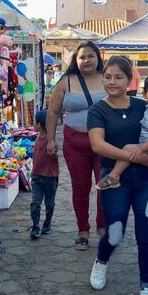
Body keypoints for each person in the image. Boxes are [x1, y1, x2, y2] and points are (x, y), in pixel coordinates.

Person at [87, 55, 148, 295]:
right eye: (108, 76)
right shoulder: (97, 110)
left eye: (118, 77)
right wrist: (136, 156)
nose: (112, 82)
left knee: (146, 235)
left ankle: (147, 287)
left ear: (129, 79)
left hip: (147, 180)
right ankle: (101, 260)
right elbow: (97, 146)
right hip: (114, 179)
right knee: (115, 231)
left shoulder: (143, 105)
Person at [46, 41, 108, 250]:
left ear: (98, 58)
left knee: (105, 186)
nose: (87, 60)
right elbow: (53, 112)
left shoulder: (108, 78)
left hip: (105, 144)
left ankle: (103, 227)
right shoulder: (67, 82)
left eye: (91, 56)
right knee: (80, 188)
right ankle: (83, 230)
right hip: (75, 143)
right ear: (75, 60)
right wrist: (51, 139)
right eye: (82, 57)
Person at [95, 73, 148, 190]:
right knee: (129, 150)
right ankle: (114, 176)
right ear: (145, 95)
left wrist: (141, 149)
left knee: (128, 149)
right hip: (147, 145)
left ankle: (113, 176)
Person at [30, 110, 59, 240]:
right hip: (36, 175)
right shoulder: (38, 137)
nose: (33, 125)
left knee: (49, 203)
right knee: (35, 203)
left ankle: (47, 223)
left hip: (50, 177)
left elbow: (56, 152)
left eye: (34, 122)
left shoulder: (51, 140)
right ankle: (35, 226)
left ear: (40, 125)